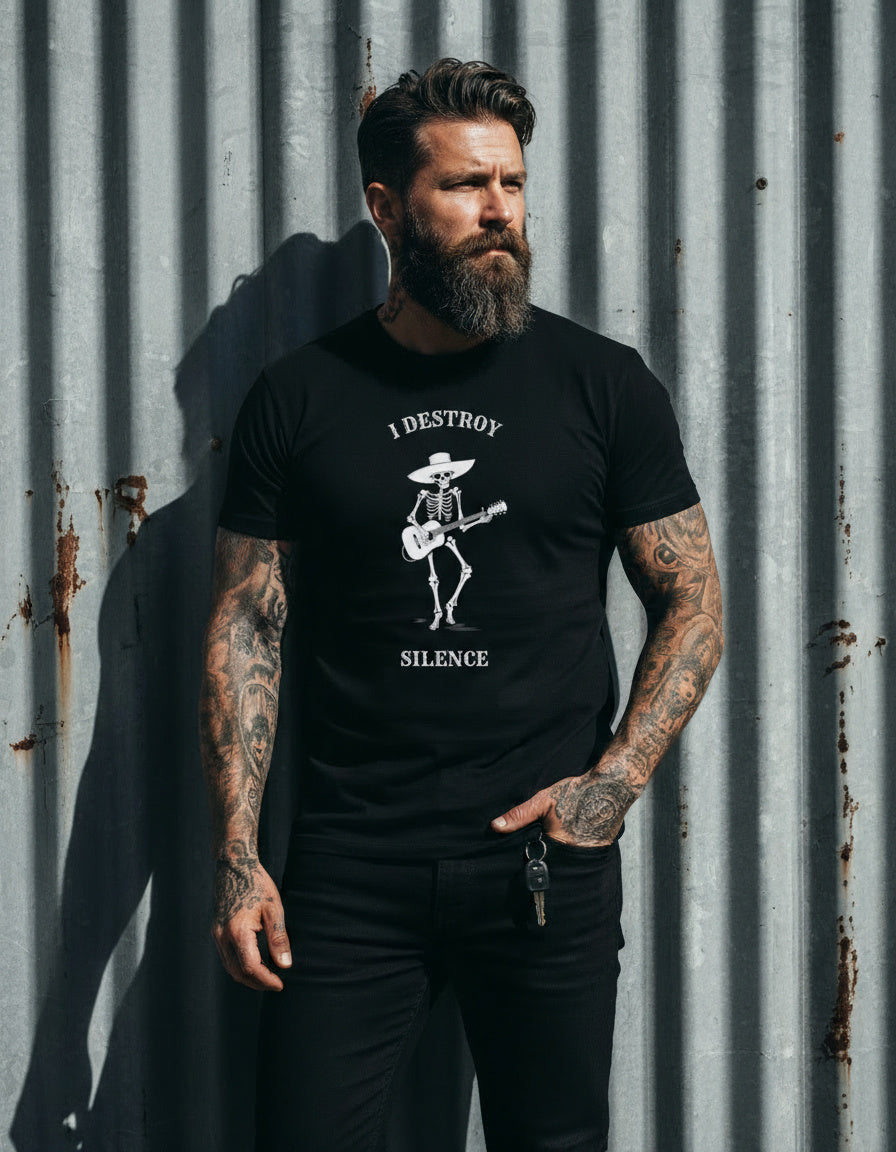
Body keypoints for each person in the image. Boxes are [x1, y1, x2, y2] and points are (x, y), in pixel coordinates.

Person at [199, 58, 724, 1152]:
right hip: (349, 865)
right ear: (387, 207)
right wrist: (240, 857)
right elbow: (249, 624)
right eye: (464, 186)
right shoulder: (300, 397)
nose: (500, 213)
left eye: (512, 184)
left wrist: (611, 786)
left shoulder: (603, 385)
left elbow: (691, 600)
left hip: (542, 862)